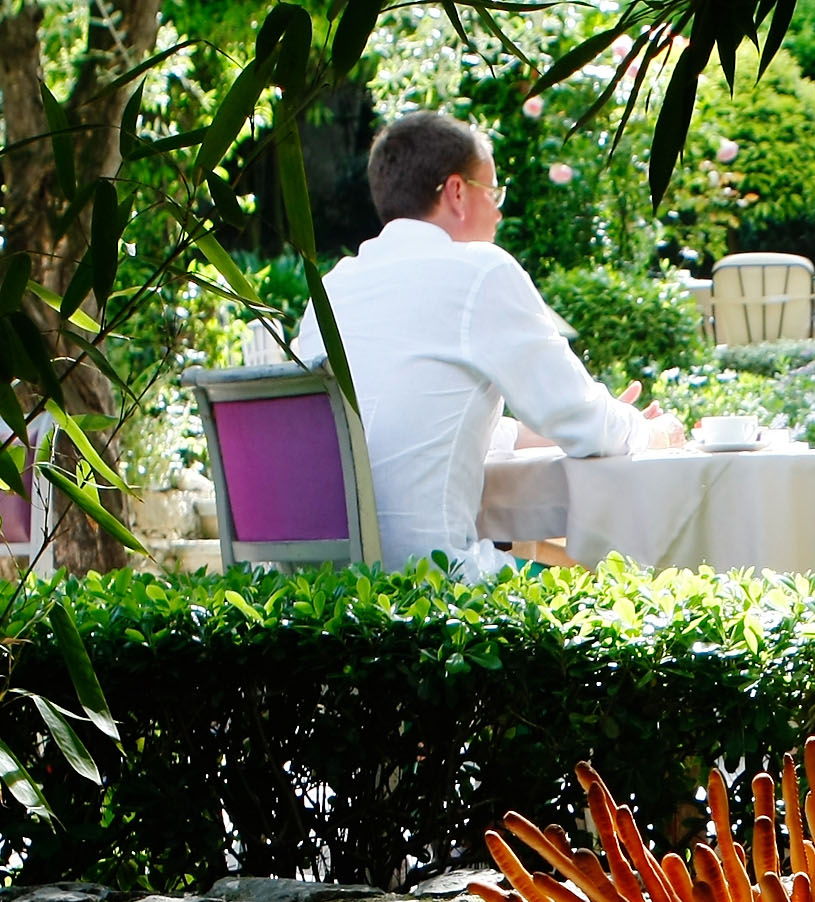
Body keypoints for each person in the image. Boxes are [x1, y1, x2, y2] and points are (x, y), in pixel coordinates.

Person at [292, 112, 681, 571]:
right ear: (456, 192)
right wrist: (649, 432)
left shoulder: (332, 290)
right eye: (492, 192)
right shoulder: (479, 272)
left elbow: (415, 418)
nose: (498, 211)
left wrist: (532, 433)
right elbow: (584, 424)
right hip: (433, 590)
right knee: (610, 583)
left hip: (322, 596)